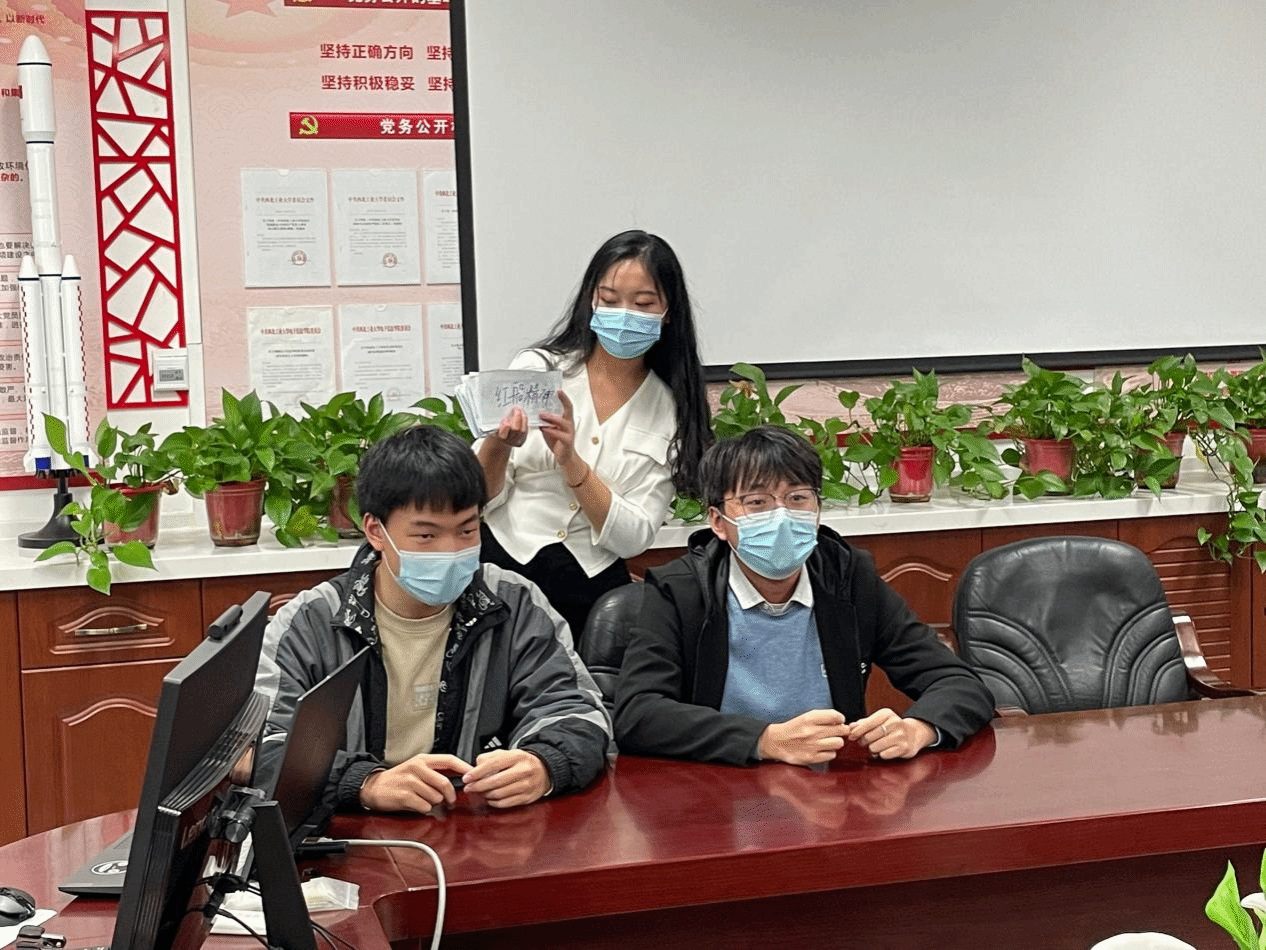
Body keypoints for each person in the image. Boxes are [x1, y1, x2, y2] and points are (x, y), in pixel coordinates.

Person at [254, 425, 611, 814]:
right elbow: (256, 747)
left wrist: (544, 763)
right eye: (426, 536)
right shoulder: (312, 621)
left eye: (467, 530)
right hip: (351, 831)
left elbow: (577, 710)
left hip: (477, 825)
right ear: (375, 531)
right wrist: (364, 783)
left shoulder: (513, 603)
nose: (451, 551)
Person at [613, 425, 994, 766]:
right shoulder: (680, 590)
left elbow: (959, 683)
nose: (781, 516)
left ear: (817, 509)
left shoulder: (849, 578)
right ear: (718, 521)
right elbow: (638, 714)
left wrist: (919, 728)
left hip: (830, 789)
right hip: (719, 787)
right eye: (757, 502)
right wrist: (764, 740)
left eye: (797, 498)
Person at [476, 229, 712, 636]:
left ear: (668, 311)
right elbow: (476, 494)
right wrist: (498, 443)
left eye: (643, 303)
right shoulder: (540, 369)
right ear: (591, 300)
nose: (625, 314)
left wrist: (572, 462)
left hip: (591, 589)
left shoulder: (671, 406)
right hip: (502, 564)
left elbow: (634, 538)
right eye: (609, 299)